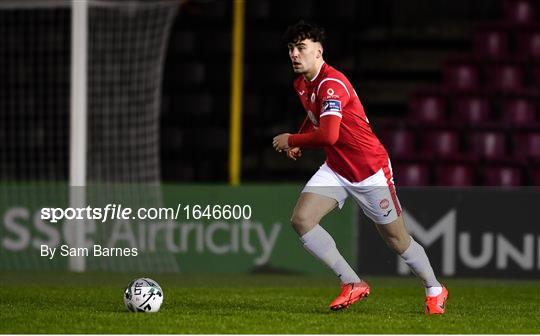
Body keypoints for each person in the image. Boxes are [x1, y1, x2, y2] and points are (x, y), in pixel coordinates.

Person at [272, 21, 448, 314]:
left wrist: (290, 138)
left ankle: (434, 288)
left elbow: (329, 135)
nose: (294, 54)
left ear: (319, 51)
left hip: (369, 172)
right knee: (302, 219)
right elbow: (315, 117)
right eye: (291, 48)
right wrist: (301, 139)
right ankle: (352, 283)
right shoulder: (303, 83)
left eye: (301, 47)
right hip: (337, 169)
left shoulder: (331, 84)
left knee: (397, 240)